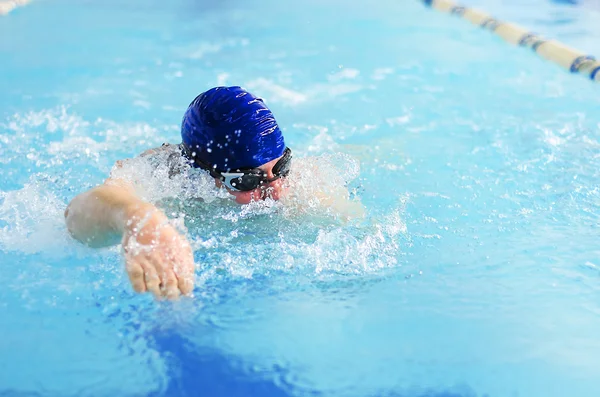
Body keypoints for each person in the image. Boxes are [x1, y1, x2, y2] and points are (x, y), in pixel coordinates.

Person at [65, 86, 361, 301]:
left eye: (282, 166)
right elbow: (75, 216)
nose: (275, 191)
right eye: (247, 181)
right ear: (205, 172)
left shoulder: (301, 181)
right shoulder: (163, 176)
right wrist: (138, 220)